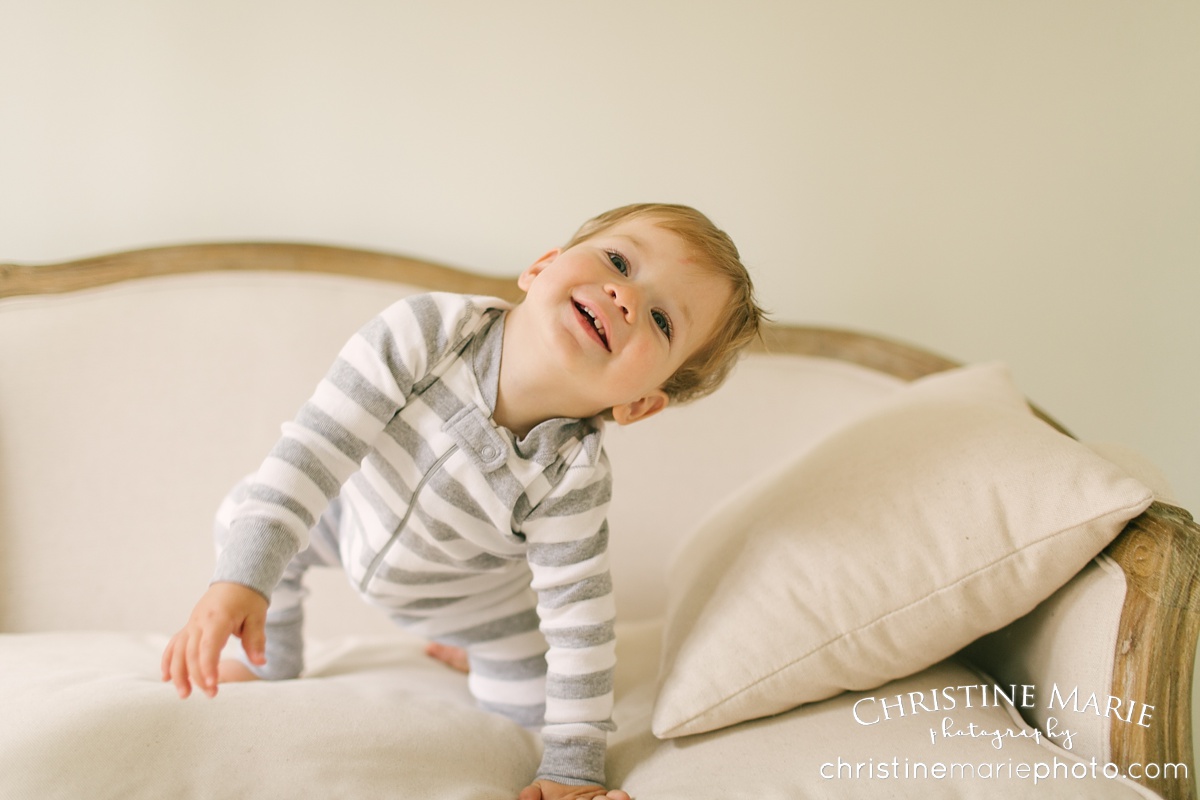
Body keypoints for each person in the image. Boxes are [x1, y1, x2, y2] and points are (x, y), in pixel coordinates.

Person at [161, 203, 765, 800]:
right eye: (618, 260)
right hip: (351, 521)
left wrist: (574, 769)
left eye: (662, 321)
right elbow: (314, 451)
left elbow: (580, 626)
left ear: (639, 404)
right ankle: (273, 657)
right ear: (541, 267)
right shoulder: (426, 332)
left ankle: (472, 653)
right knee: (248, 517)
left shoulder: (571, 476)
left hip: (476, 609)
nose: (627, 297)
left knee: (527, 713)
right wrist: (241, 580)